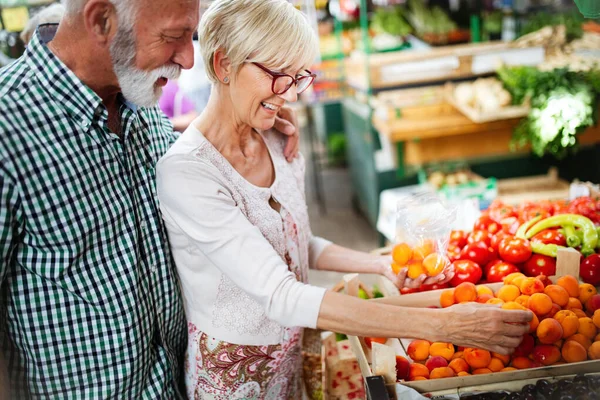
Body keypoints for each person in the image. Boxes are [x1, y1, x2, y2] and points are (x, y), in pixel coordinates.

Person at [155, 0, 533, 398]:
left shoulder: (273, 137)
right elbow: (280, 293)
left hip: (291, 347)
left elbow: (298, 244)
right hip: (230, 373)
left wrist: (380, 265)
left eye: (298, 77)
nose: (291, 95)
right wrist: (445, 326)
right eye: (277, 75)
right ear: (224, 65)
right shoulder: (188, 174)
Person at [0, 0, 300, 397]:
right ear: (102, 20)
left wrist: (247, 120)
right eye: (174, 37)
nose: (190, 59)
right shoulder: (9, 130)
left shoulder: (138, 99)